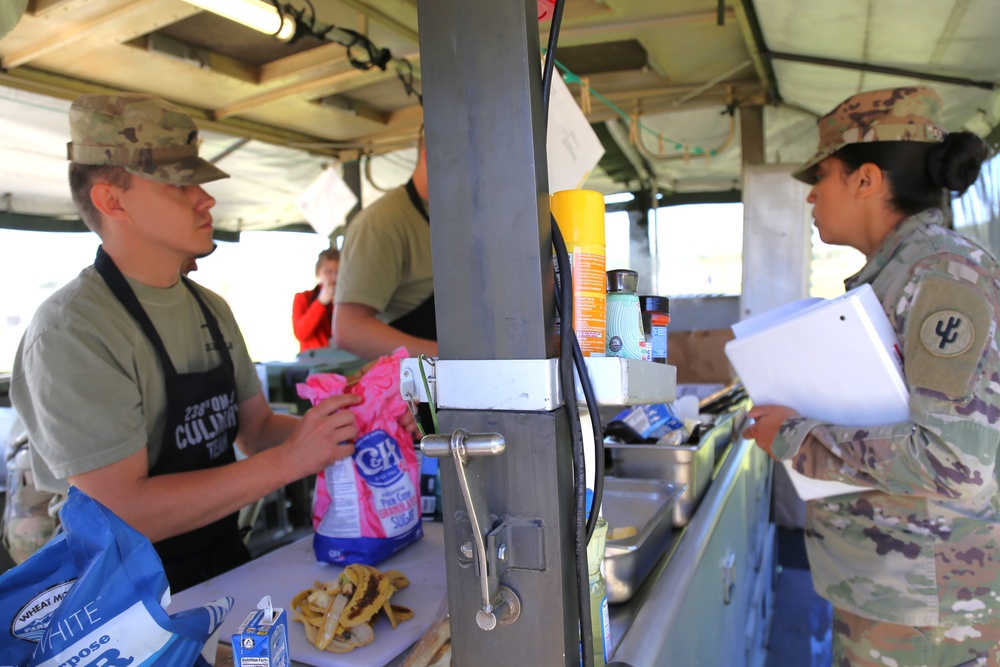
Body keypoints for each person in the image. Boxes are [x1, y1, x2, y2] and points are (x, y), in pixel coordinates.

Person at [9, 94, 413, 591]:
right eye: (181, 184)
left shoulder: (209, 307)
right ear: (112, 200)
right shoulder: (74, 331)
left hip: (221, 556)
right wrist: (291, 461)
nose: (206, 198)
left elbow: (258, 429)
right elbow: (124, 512)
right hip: (121, 594)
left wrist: (356, 427)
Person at [743, 86, 998, 666]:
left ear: (866, 179)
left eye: (823, 174)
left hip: (932, 615)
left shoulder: (942, 276)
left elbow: (954, 462)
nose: (810, 195)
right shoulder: (896, 275)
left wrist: (794, 434)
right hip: (896, 594)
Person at [333, 137, 438, 360]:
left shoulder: (458, 218)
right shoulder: (381, 224)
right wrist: (449, 360)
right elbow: (349, 330)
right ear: (431, 153)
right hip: (418, 388)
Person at [292, 247, 339, 352]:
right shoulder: (303, 298)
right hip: (313, 361)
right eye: (328, 272)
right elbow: (301, 334)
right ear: (318, 272)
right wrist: (320, 303)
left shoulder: (345, 301)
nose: (334, 277)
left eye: (338, 272)